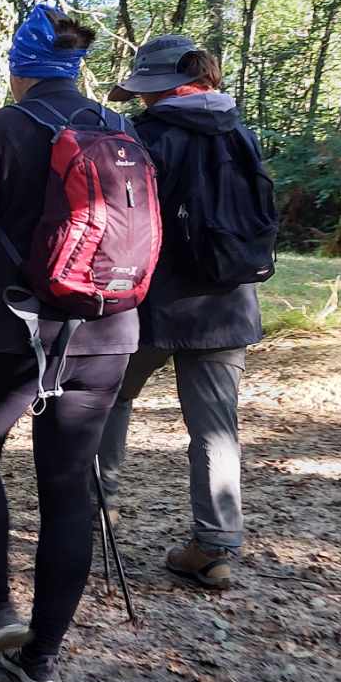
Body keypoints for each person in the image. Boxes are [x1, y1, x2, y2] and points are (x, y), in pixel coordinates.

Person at [0, 5, 139, 682]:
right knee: (67, 488)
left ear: (18, 68)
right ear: (75, 66)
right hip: (107, 331)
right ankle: (42, 660)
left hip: (8, 332)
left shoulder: (2, 128)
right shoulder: (118, 128)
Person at [94, 36, 265, 591]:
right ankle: (214, 547)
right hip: (228, 301)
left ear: (159, 87)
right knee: (216, 430)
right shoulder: (242, 133)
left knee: (111, 399)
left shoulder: (144, 137)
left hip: (152, 301)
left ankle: (99, 510)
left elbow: (123, 224)